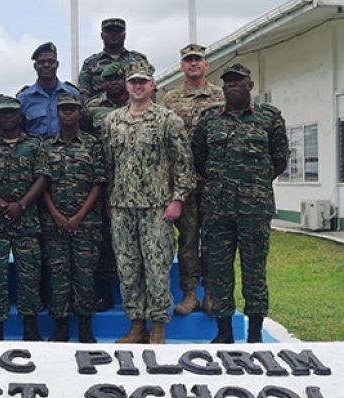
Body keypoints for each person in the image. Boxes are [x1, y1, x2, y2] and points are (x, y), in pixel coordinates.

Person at [193, 63, 288, 344]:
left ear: (250, 85)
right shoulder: (210, 120)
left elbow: (280, 159)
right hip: (217, 209)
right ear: (222, 89)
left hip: (254, 209)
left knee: (254, 270)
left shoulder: (269, 118)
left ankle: (255, 334)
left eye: (238, 81)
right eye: (228, 83)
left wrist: (253, 184)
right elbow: (199, 158)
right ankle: (224, 333)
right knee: (219, 271)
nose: (232, 86)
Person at [103, 62, 195, 344]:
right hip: (122, 208)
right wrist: (110, 200)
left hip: (158, 207)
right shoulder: (112, 121)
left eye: (143, 81)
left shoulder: (168, 120)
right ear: (127, 86)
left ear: (152, 85)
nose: (138, 86)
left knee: (157, 268)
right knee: (128, 269)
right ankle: (136, 325)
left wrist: (177, 200)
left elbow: (184, 165)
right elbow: (108, 165)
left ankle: (158, 326)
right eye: (133, 82)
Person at [0, 96, 46, 341]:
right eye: (3, 114)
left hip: (27, 220)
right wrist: (3, 205)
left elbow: (43, 178)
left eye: (12, 113)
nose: (7, 117)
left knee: (29, 275)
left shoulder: (34, 145)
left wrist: (22, 205)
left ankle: (30, 325)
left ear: (20, 116)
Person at [162, 44, 225, 316]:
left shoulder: (221, 97)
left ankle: (210, 292)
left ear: (206, 64)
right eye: (188, 60)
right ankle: (190, 293)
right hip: (184, 181)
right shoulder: (170, 99)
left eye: (198, 60)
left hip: (213, 180)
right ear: (181, 66)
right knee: (187, 239)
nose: (193, 64)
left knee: (212, 238)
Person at [39, 93, 106, 343]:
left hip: (86, 222)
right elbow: (42, 183)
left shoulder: (92, 144)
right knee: (58, 273)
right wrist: (56, 214)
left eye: (73, 109)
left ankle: (85, 325)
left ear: (80, 113)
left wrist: (78, 216)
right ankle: (61, 325)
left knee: (85, 273)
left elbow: (98, 183)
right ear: (57, 113)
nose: (68, 113)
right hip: (54, 221)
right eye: (64, 109)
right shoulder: (46, 146)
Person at [84, 62, 129, 313]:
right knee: (100, 240)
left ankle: (127, 292)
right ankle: (103, 292)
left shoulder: (135, 106)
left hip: (127, 181)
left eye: (117, 79)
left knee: (124, 240)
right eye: (108, 79)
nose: (113, 83)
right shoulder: (92, 109)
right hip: (98, 180)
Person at [18, 42, 80, 139]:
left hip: (67, 150)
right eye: (42, 62)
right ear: (35, 66)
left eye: (51, 61)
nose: (46, 65)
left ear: (57, 64)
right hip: (36, 150)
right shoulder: (24, 98)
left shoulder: (73, 94)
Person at [77, 18, 150, 101]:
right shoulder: (90, 63)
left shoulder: (138, 60)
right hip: (101, 110)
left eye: (118, 31)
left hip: (135, 109)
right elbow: (83, 94)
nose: (114, 34)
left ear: (125, 35)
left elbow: (150, 89)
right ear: (102, 35)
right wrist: (93, 111)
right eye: (109, 31)